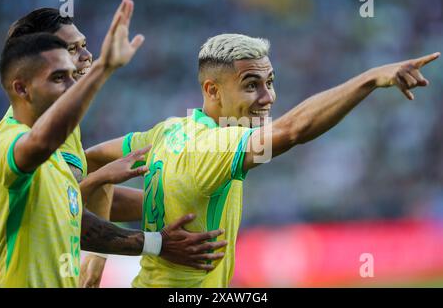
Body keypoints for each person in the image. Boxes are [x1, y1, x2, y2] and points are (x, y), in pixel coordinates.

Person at [86, 33, 440, 287]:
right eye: (252, 85)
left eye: (270, 82)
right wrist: (370, 78)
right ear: (212, 90)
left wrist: (95, 245)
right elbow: (293, 131)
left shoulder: (166, 131)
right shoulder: (219, 144)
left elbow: (91, 160)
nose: (268, 97)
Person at [0, 0, 225, 288]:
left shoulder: (66, 134)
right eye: (71, 51)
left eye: (83, 47)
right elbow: (66, 208)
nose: (87, 56)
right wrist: (153, 243)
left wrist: (175, 202)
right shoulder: (14, 141)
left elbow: (69, 201)